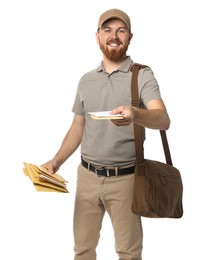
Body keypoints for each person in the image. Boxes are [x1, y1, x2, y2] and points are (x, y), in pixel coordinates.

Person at [42, 8, 170, 260]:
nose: (114, 36)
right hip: (87, 177)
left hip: (126, 179)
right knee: (83, 250)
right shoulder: (86, 80)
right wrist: (55, 162)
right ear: (98, 36)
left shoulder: (142, 75)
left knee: (129, 253)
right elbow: (78, 127)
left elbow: (163, 119)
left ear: (130, 37)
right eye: (107, 30)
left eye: (121, 30)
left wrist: (136, 113)